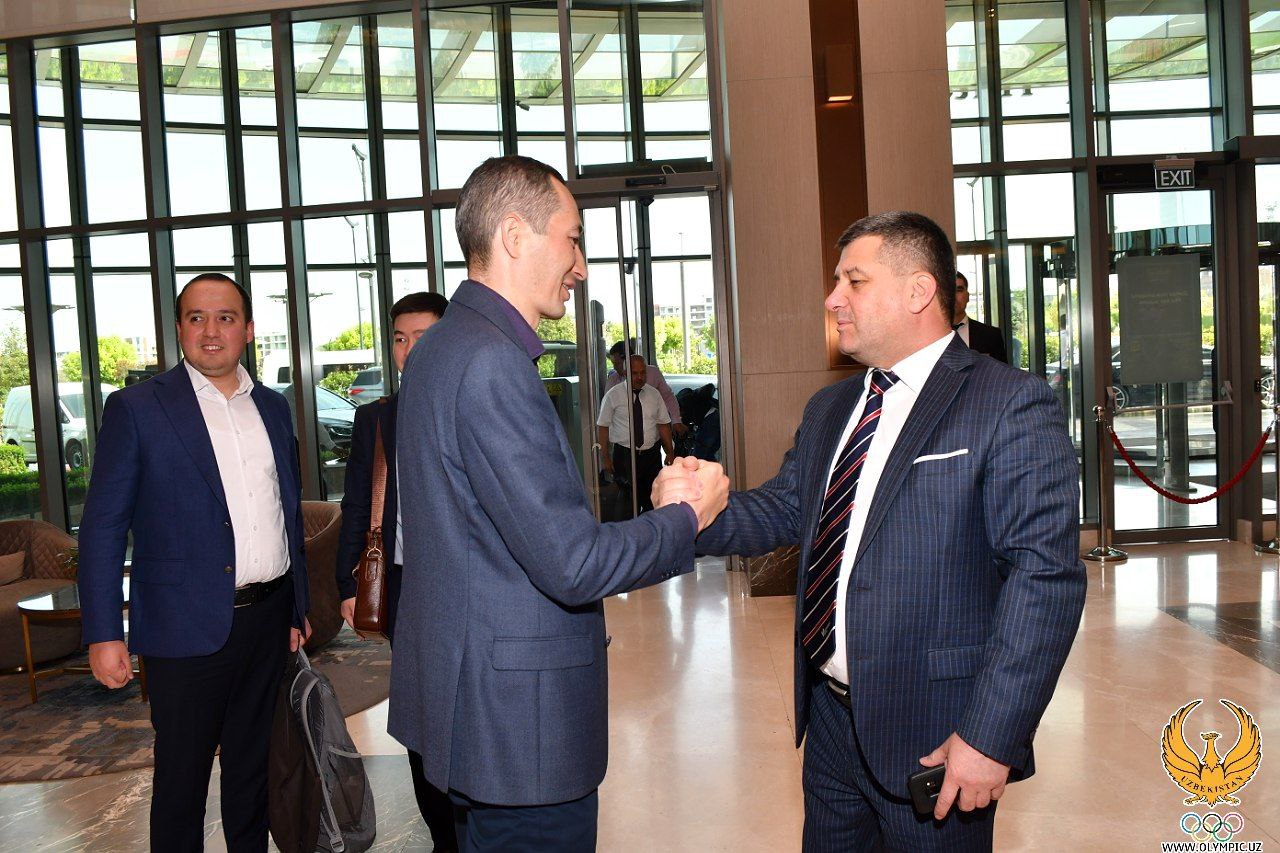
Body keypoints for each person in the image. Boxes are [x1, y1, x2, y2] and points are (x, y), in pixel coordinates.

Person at [695, 212, 1085, 851]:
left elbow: (1043, 581)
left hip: (936, 735)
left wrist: (991, 737)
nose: (833, 299)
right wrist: (694, 513)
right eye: (836, 282)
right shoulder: (831, 408)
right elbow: (785, 509)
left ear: (918, 291)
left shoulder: (1009, 402)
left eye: (854, 281)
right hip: (830, 722)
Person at [388, 155, 728, 853]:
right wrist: (686, 516)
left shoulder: (441, 348)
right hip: (522, 730)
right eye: (572, 240)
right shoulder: (491, 362)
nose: (580, 266)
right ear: (515, 235)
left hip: (474, 706)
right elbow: (572, 563)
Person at [78, 272, 312, 853]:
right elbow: (103, 527)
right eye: (196, 318)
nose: (211, 331)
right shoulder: (137, 408)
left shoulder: (273, 407)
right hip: (182, 628)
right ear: (179, 329)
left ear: (248, 329)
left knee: (253, 771)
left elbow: (285, 511)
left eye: (225, 317)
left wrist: (296, 608)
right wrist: (105, 633)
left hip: (267, 620)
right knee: (181, 783)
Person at [335, 291, 457, 852]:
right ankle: (442, 833)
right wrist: (348, 584)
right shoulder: (377, 418)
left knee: (468, 707)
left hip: (469, 583)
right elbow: (357, 503)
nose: (409, 350)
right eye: (401, 339)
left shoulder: (471, 403)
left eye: (423, 337)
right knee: (419, 713)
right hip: (405, 583)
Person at [597, 353, 675, 517]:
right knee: (628, 502)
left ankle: (651, 531)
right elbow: (603, 427)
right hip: (624, 455)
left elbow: (663, 424)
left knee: (653, 501)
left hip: (651, 456)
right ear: (626, 373)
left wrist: (669, 452)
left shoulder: (654, 394)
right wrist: (605, 458)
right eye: (635, 373)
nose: (640, 377)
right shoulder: (613, 395)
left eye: (642, 373)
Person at [605, 340, 686, 438]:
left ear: (628, 360)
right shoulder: (613, 380)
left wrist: (676, 420)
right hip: (624, 435)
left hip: (652, 434)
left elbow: (667, 397)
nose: (615, 367)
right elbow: (607, 409)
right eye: (613, 364)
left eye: (617, 363)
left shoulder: (653, 373)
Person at [953, 271, 1009, 363]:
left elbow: (1002, 371)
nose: (953, 297)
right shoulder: (928, 336)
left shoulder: (991, 335)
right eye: (947, 291)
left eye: (958, 290)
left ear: (967, 296)